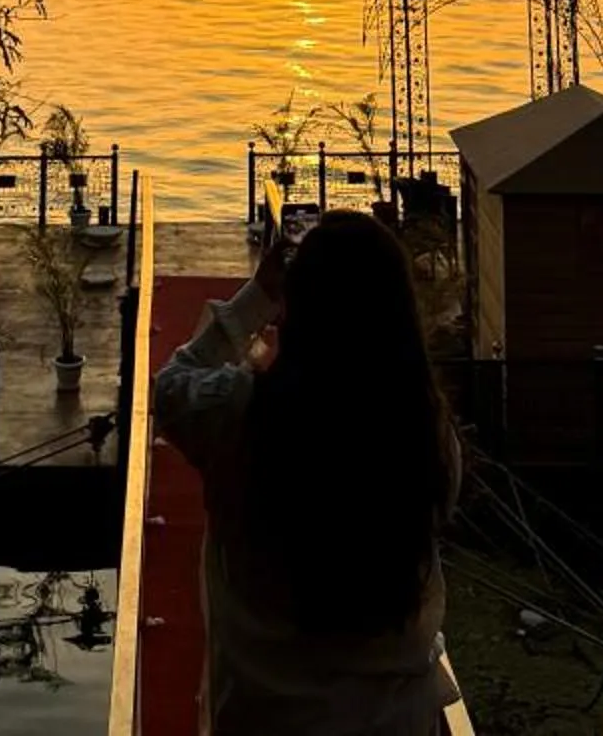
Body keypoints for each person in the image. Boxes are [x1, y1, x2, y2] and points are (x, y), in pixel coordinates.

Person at [151, 208, 462, 734]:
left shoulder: (239, 414)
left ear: (296, 307)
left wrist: (257, 296)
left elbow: (172, 386)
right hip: (397, 720)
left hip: (265, 718)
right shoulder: (424, 437)